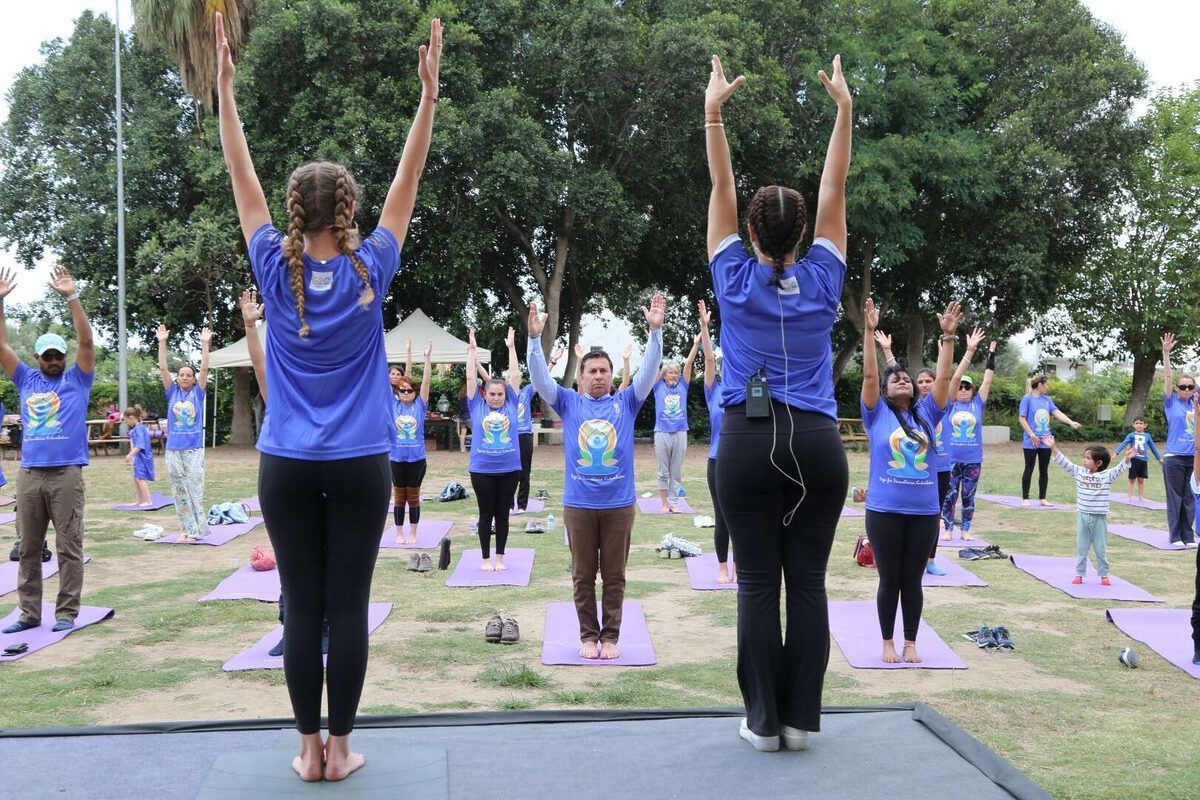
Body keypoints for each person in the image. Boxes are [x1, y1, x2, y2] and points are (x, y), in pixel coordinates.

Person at [216, 12, 441, 782]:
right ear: (349, 212)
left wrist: (225, 93)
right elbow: (408, 181)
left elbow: (239, 175)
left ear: (295, 210)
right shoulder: (371, 269)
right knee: (346, 607)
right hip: (359, 466)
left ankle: (306, 751)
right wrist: (428, 99)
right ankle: (340, 750)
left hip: (284, 463)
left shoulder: (274, 272)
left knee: (300, 606)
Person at [704, 52, 851, 753]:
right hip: (818, 445)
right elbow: (833, 187)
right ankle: (800, 721)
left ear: (752, 232)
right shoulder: (824, 273)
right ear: (802, 235)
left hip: (746, 442)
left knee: (759, 586)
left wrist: (714, 113)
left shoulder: (732, 272)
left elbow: (720, 184)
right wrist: (844, 112)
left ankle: (763, 724)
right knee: (811, 587)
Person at [527, 295, 664, 659]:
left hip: (620, 505)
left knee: (615, 577)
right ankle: (588, 637)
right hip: (579, 505)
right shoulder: (569, 402)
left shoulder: (627, 402)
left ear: (611, 375)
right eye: (592, 371)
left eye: (604, 370)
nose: (599, 375)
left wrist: (655, 332)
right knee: (582, 576)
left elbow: (650, 371)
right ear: (582, 376)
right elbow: (540, 381)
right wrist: (533, 342)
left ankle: (611, 639)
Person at [861, 299, 957, 667]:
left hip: (923, 512)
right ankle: (887, 642)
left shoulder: (927, 413)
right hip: (884, 510)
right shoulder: (876, 414)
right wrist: (870, 333)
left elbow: (944, 380)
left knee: (912, 582)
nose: (901, 380)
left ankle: (911, 642)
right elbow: (871, 376)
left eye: (906, 378)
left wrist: (948, 336)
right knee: (889, 581)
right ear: (885, 391)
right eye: (895, 378)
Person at [0, 265, 95, 635]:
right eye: (48, 356)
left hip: (66, 474)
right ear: (38, 358)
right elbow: (2, 346)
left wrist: (72, 296)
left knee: (69, 546)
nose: (54, 361)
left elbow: (86, 342)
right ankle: (28, 613)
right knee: (28, 548)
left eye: (58, 355)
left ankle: (66, 612)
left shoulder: (78, 378)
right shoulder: (25, 378)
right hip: (29, 475)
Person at [874, 332, 952, 573]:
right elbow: (895, 376)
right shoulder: (893, 408)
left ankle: (930, 559)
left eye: (928, 381)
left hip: (938, 469)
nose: (907, 382)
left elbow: (947, 377)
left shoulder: (930, 408)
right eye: (920, 381)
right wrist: (887, 351)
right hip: (902, 486)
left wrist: (949, 340)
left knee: (934, 513)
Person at [466, 329, 521, 571]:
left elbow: (516, 376)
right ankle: (485, 558)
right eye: (492, 394)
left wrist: (511, 348)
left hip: (510, 470)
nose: (496, 398)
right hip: (482, 470)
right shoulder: (477, 406)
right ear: (484, 395)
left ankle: (500, 557)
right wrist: (472, 352)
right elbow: (470, 379)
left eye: (500, 394)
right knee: (485, 514)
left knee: (503, 515)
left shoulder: (511, 404)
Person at [1045, 436, 1133, 583]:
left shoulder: (1106, 475)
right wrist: (1053, 448)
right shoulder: (1080, 472)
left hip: (1099, 517)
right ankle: (1079, 574)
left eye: (1087, 458)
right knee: (1082, 547)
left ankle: (1103, 575)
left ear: (1098, 463)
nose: (1084, 460)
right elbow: (1065, 463)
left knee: (1100, 548)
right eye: (1084, 457)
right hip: (1083, 516)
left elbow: (1118, 470)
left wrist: (1127, 459)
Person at [156, 323, 212, 542]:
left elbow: (205, 369)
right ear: (178, 378)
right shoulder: (172, 393)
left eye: (189, 375)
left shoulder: (198, 394)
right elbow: (162, 369)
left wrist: (205, 346)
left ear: (194, 378)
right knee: (179, 492)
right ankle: (186, 530)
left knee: (194, 490)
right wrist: (162, 342)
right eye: (182, 375)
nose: (185, 377)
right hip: (173, 450)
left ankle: (198, 530)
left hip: (193, 450)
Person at [942, 335, 996, 542]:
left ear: (972, 390)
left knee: (968, 496)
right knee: (950, 496)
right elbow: (950, 377)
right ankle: (948, 529)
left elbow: (988, 378)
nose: (963, 389)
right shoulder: (949, 404)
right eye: (960, 387)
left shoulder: (977, 404)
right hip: (951, 459)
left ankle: (965, 529)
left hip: (973, 459)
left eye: (967, 387)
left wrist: (990, 355)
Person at [698, 300, 733, 583]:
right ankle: (722, 567)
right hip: (718, 460)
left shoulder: (750, 390)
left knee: (746, 519)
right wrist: (705, 328)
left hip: (745, 461)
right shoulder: (714, 390)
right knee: (722, 516)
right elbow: (709, 360)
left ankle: (742, 568)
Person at [390, 340, 433, 543]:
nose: (406, 393)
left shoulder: (419, 406)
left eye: (409, 390)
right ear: (397, 392)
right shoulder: (392, 404)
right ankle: (399, 533)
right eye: (402, 390)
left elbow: (426, 382)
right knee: (399, 498)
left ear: (414, 393)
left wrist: (426, 359)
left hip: (417, 459)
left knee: (413, 498)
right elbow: (382, 378)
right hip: (396, 459)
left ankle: (413, 533)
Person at [1019, 374, 1081, 506]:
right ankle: (1025, 498)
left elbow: (1057, 413)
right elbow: (1022, 419)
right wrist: (1032, 435)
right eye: (1046, 384)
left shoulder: (1047, 400)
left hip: (1046, 440)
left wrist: (1071, 422)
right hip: (1031, 440)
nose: (1048, 387)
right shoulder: (1027, 399)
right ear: (1040, 385)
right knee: (1029, 468)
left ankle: (1042, 498)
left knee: (1044, 469)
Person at [653, 337, 699, 513]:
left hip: (680, 431)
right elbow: (654, 365)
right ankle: (664, 504)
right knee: (663, 471)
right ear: (664, 375)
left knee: (676, 471)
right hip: (662, 432)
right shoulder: (658, 386)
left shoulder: (683, 386)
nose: (675, 375)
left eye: (676, 373)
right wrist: (653, 341)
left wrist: (695, 344)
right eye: (671, 372)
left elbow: (689, 364)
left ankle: (673, 504)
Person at [1160, 334, 1196, 545]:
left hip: (1193, 457)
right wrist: (1166, 354)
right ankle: (1175, 537)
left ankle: (1188, 536)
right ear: (1177, 389)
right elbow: (1167, 378)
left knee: (1190, 498)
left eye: (1190, 387)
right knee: (1175, 499)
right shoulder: (1171, 402)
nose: (1186, 390)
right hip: (1174, 456)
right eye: (1182, 387)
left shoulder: (1196, 404)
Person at [1115, 416, 1163, 503]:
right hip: (1134, 459)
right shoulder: (1131, 435)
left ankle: (1141, 497)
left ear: (1145, 425)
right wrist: (1116, 453)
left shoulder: (1147, 436)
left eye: (1141, 423)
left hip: (1143, 460)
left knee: (1141, 480)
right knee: (1132, 479)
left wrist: (1159, 458)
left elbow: (1153, 448)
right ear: (1133, 425)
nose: (1139, 425)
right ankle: (1129, 496)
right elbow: (1123, 444)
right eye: (1137, 423)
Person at [124, 408, 155, 507]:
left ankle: (148, 501)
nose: (125, 422)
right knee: (136, 478)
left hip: (142, 456)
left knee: (140, 478)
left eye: (126, 420)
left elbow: (140, 445)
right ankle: (140, 500)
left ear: (132, 417)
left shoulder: (139, 429)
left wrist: (130, 454)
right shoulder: (137, 429)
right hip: (138, 457)